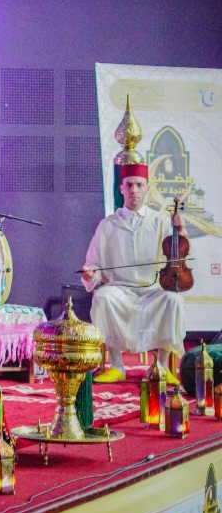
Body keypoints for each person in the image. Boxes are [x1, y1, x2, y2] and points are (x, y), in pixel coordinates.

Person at [81, 163, 187, 384]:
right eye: (129, 185)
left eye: (139, 185)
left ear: (148, 188)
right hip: (119, 290)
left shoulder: (160, 221)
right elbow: (94, 265)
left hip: (152, 290)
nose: (134, 190)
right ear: (121, 188)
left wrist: (180, 232)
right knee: (102, 298)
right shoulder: (107, 225)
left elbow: (177, 258)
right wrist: (91, 275)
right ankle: (117, 366)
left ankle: (161, 366)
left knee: (173, 299)